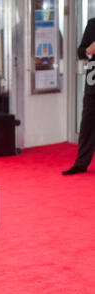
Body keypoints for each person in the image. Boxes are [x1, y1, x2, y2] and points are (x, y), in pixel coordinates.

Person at [62, 17, 95, 175]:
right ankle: (81, 163)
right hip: (93, 79)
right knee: (87, 122)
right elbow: (80, 51)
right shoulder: (92, 23)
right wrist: (89, 50)